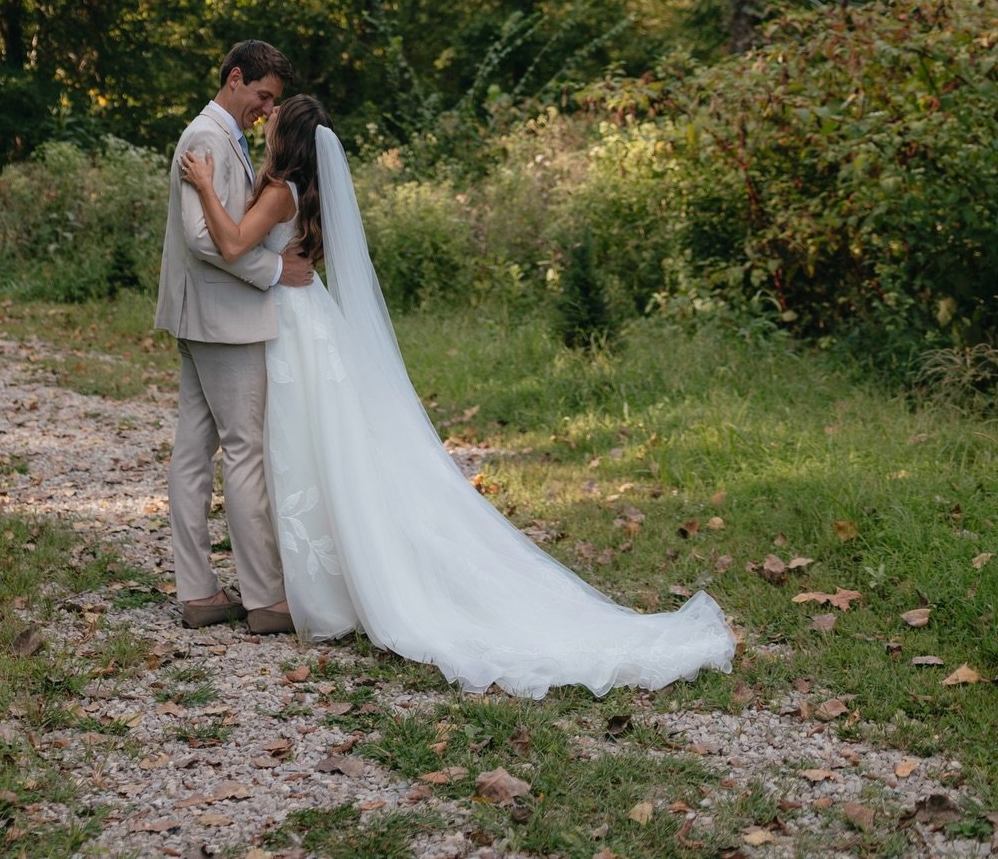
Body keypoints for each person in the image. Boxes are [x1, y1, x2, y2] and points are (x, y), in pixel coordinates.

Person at [180, 95, 736, 698]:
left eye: (273, 117)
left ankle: (307, 587)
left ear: (284, 138)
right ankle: (297, 581)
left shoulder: (280, 191)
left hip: (289, 326)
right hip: (305, 321)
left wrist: (206, 186)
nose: (263, 123)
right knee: (317, 448)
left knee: (297, 447)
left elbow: (233, 244)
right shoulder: (299, 192)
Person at [153, 39, 315, 635]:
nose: (268, 110)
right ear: (236, 77)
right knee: (245, 450)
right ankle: (266, 599)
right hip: (224, 319)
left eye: (274, 102)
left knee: (195, 448)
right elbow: (204, 237)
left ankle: (199, 593)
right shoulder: (206, 137)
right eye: (264, 96)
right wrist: (274, 272)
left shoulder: (223, 137)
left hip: (209, 316)